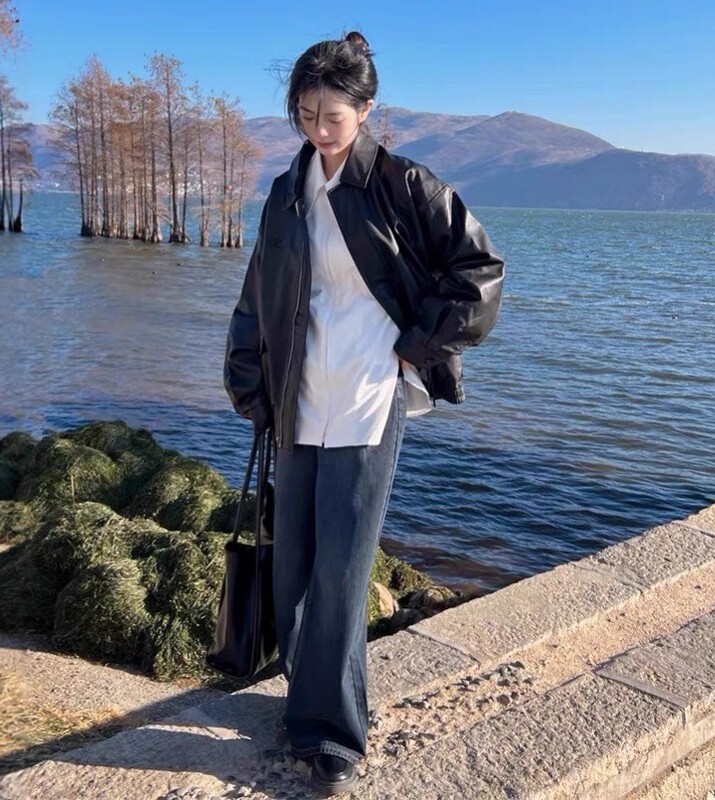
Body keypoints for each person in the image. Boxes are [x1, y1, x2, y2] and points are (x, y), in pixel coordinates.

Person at [224, 30, 504, 797]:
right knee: (293, 565)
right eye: (305, 114)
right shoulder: (287, 191)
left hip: (369, 396)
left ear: (366, 109)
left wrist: (417, 346)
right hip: (298, 395)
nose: (319, 130)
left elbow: (480, 271)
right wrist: (248, 382)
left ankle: (334, 732)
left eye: (333, 116)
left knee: (344, 572)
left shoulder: (403, 185)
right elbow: (257, 294)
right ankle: (301, 704)